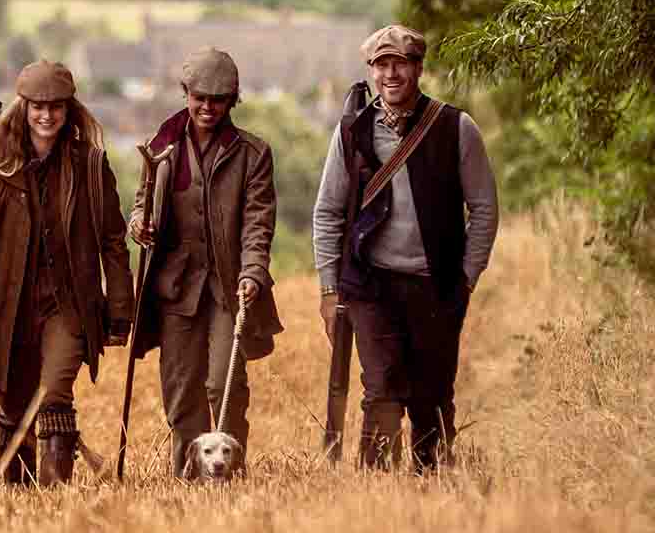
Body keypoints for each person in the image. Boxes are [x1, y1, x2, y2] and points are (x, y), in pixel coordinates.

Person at [311, 24, 499, 472]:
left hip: (436, 285)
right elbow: (328, 212)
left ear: (418, 68)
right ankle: (376, 490)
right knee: (381, 391)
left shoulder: (456, 127)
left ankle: (431, 486)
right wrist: (329, 287)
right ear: (371, 71)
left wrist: (467, 277)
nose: (391, 74)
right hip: (370, 285)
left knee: (432, 396)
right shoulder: (352, 132)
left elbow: (484, 209)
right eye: (381, 65)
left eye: (400, 64)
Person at [0, 60, 136, 487]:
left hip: (68, 306)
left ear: (69, 109)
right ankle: (17, 495)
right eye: (38, 106)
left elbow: (113, 241)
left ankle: (55, 499)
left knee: (54, 395)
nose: (47, 115)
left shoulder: (91, 166)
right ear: (24, 107)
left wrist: (120, 310)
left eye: (56, 106)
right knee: (15, 404)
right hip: (8, 308)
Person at [128, 47, 283, 478]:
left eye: (218, 100)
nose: (208, 107)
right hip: (175, 287)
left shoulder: (254, 153)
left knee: (223, 382)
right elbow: (142, 202)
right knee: (181, 390)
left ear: (232, 101)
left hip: (229, 287)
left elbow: (258, 221)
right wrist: (139, 223)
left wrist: (254, 271)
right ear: (186, 94)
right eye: (200, 98)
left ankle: (230, 476)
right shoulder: (160, 147)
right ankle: (187, 480)